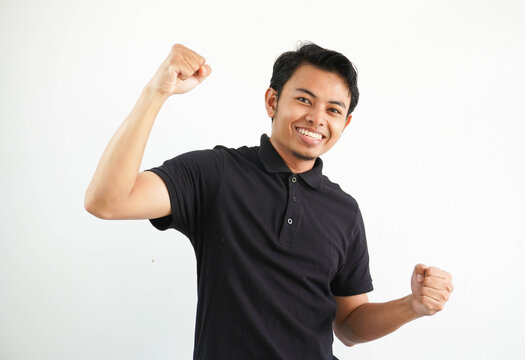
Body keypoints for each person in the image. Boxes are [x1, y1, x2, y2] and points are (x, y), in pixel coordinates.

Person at [85, 43, 454, 359]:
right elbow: (108, 201)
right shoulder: (215, 173)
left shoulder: (344, 211)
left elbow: (349, 326)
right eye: (304, 99)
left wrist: (413, 306)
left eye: (333, 109)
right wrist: (157, 91)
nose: (316, 118)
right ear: (272, 100)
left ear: (346, 123)